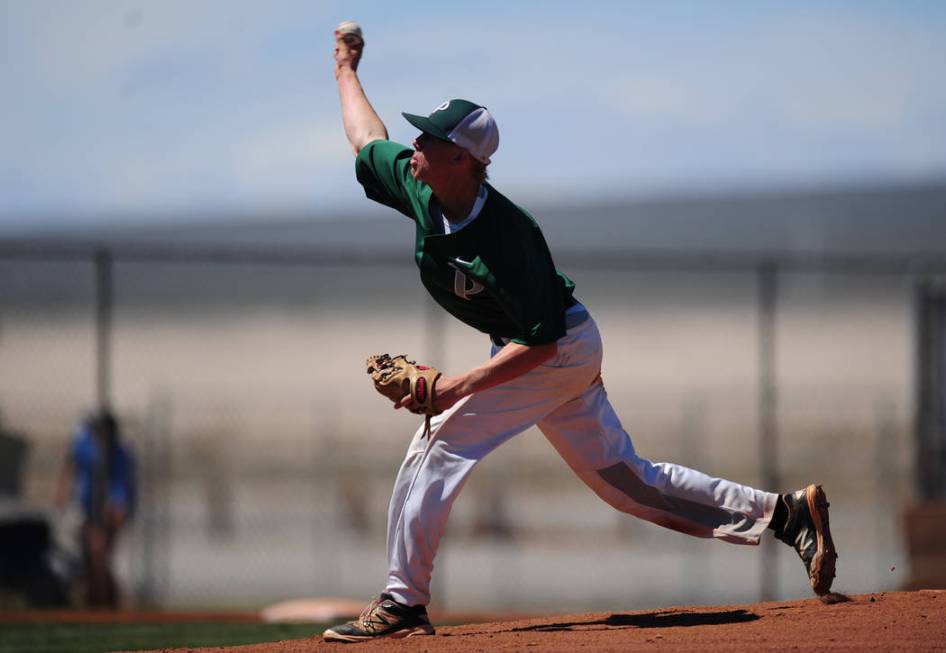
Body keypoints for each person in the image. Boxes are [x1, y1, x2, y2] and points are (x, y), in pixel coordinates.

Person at [325, 26, 837, 643]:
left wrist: (454, 386)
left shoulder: (509, 238)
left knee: (438, 445)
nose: (415, 145)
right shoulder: (417, 180)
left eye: (430, 138)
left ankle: (403, 603)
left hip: (556, 349)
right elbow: (366, 139)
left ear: (463, 157)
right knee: (627, 483)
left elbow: (541, 344)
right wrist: (345, 69)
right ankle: (784, 513)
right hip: (535, 349)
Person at [56, 411, 136, 608]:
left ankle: (106, 603)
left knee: (99, 556)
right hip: (87, 509)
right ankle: (94, 600)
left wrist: (118, 508)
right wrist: (63, 493)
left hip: (108, 512)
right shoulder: (84, 446)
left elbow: (121, 486)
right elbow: (72, 467)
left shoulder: (120, 454)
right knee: (90, 559)